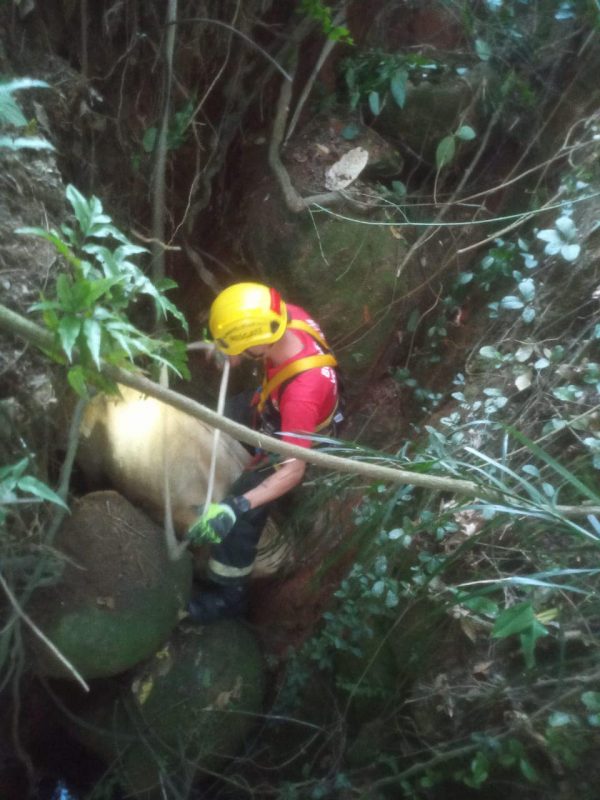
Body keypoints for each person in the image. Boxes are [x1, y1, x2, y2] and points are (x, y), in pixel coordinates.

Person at [186, 282, 342, 623]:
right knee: (220, 413)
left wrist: (236, 506)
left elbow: (292, 470)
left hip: (292, 430)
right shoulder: (288, 317)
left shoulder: (303, 394)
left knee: (241, 515)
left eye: (240, 348)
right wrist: (230, 349)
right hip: (271, 403)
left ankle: (228, 596)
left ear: (259, 344)